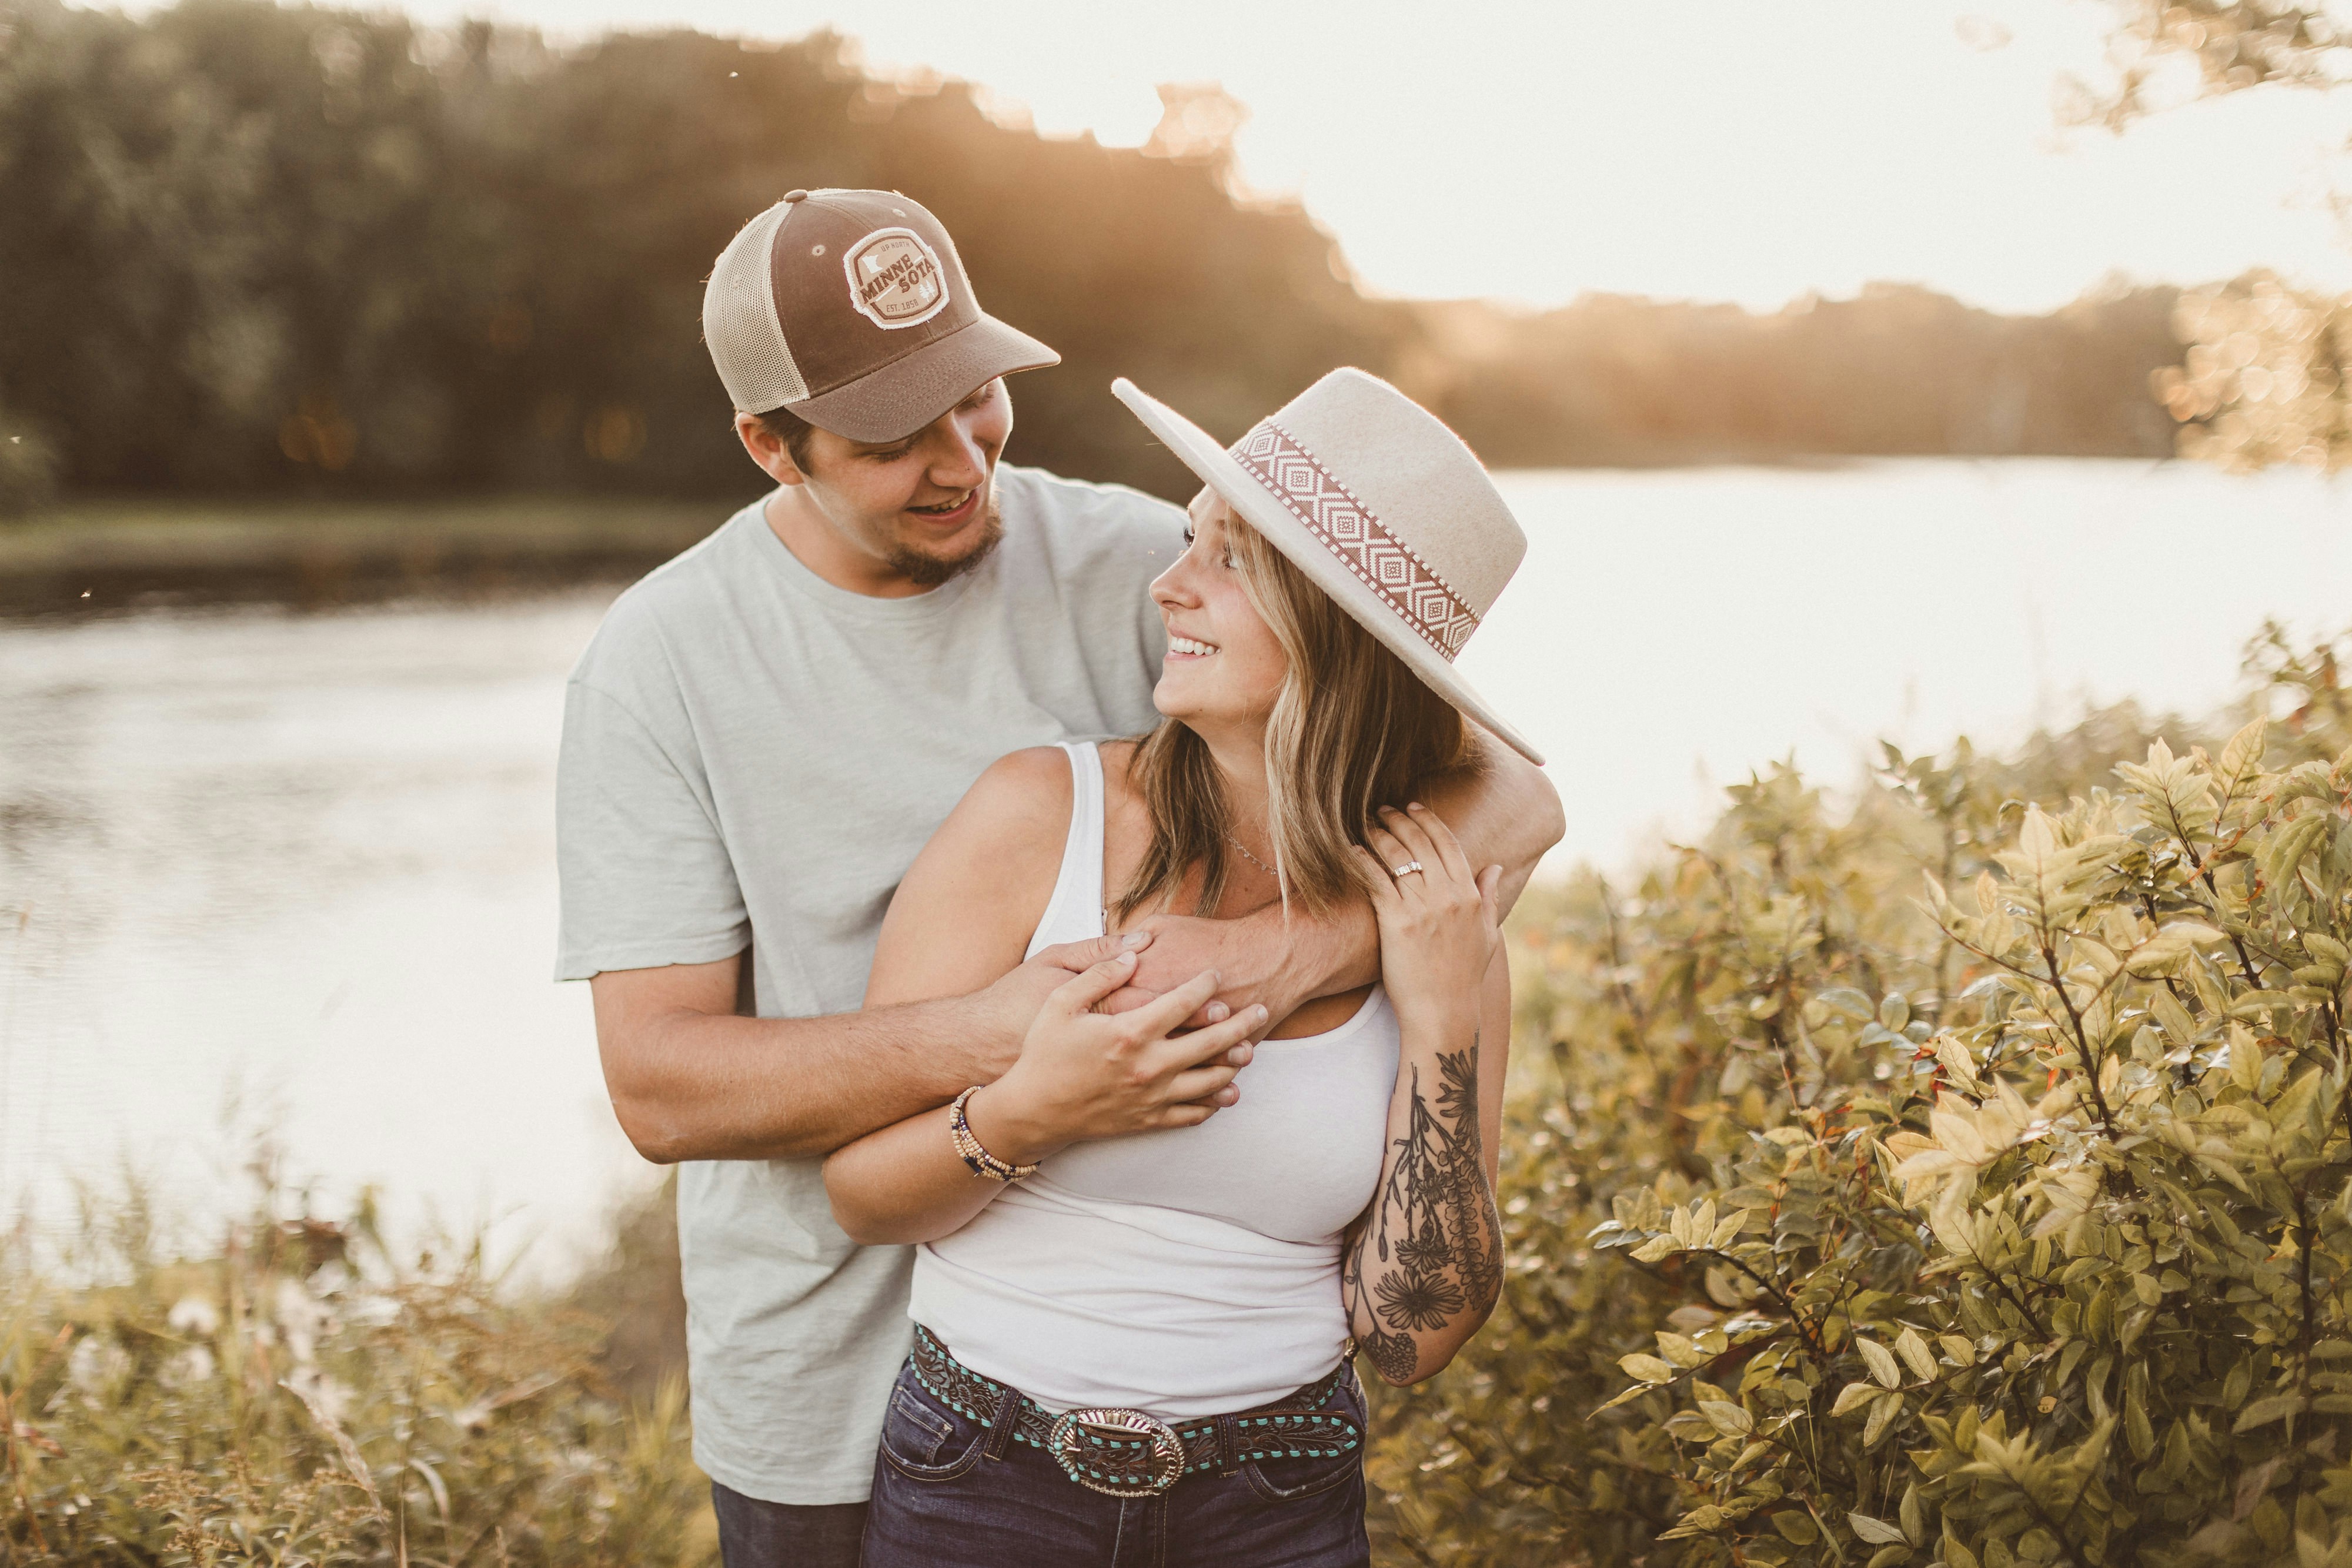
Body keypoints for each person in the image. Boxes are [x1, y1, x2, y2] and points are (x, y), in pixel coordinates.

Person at [556, 189, 1563, 1568]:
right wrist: (1012, 1044)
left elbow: (1497, 782)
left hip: (1224, 1436)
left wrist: (1263, 963)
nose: (958, 459)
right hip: (828, 1364)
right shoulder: (662, 659)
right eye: (889, 434)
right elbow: (660, 1086)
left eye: (973, 398)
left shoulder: (1123, 555)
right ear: (768, 446)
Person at [825, 367, 1541, 1567]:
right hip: (984, 1480)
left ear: (1342, 629)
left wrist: (1436, 1025)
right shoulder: (1034, 815)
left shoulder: (1437, 911)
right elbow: (859, 1190)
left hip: (1277, 1498)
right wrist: (1028, 1111)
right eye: (1186, 537)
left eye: (1231, 558)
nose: (1169, 584)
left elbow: (1412, 1335)